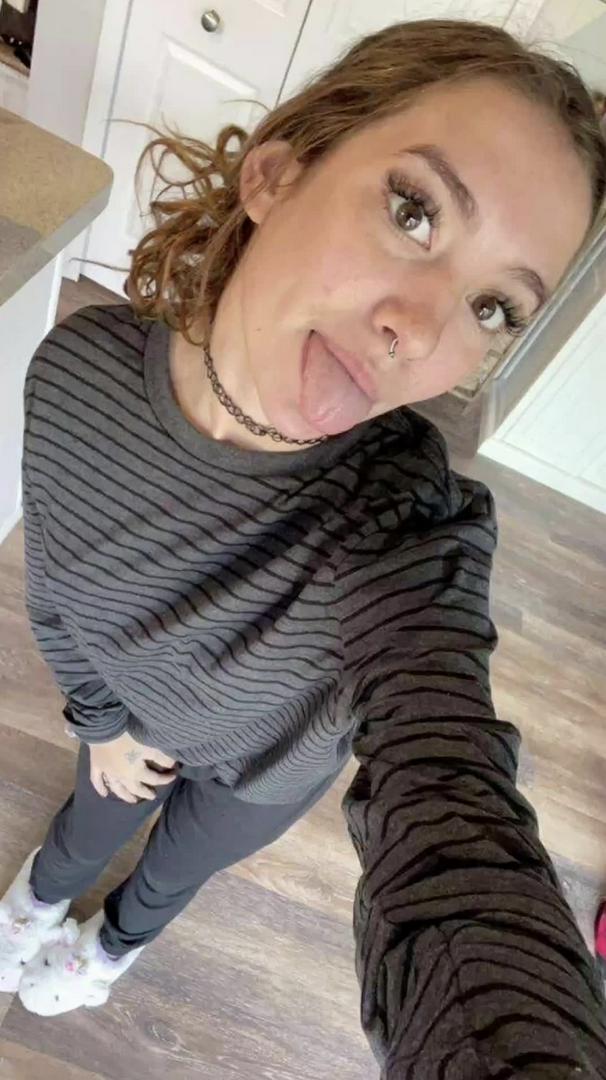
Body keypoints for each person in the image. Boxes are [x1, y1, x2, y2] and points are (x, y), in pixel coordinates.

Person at [2, 16, 605, 1078]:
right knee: (91, 817)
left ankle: (111, 950)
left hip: (263, 780)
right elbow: (54, 584)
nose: (424, 330)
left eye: (494, 306)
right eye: (413, 211)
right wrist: (98, 724)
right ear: (278, 173)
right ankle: (37, 901)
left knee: (174, 873)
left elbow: (446, 768)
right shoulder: (74, 377)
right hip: (130, 720)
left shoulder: (404, 516)